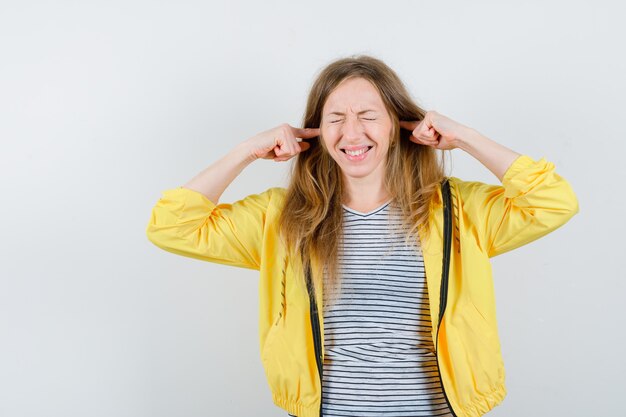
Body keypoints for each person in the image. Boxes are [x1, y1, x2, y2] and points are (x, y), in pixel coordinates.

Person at [146, 55, 578, 417]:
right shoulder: (282, 218)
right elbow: (171, 226)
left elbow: (553, 201)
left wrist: (465, 137)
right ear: (317, 131)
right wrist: (247, 150)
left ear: (397, 125)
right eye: (336, 118)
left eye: (368, 116)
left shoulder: (457, 211)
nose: (351, 133)